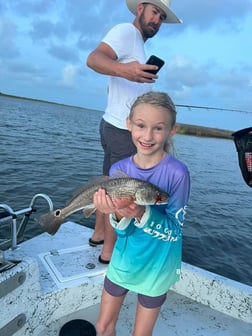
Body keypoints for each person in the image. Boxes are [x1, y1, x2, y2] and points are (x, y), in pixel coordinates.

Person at [86, 0, 181, 264]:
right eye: (154, 12)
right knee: (120, 194)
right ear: (140, 8)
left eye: (162, 17)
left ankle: (97, 236)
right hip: (120, 131)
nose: (157, 20)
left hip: (113, 125)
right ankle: (109, 254)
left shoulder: (137, 43)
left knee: (107, 186)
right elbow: (93, 59)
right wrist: (127, 71)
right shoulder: (126, 32)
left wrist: (131, 79)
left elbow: (115, 84)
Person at [93, 91, 190, 336]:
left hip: (158, 267)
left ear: (171, 130)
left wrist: (140, 212)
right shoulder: (119, 169)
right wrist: (114, 215)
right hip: (124, 259)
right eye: (140, 125)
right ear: (129, 124)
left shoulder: (178, 174)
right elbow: (121, 232)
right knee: (103, 327)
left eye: (158, 128)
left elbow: (174, 231)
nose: (148, 136)